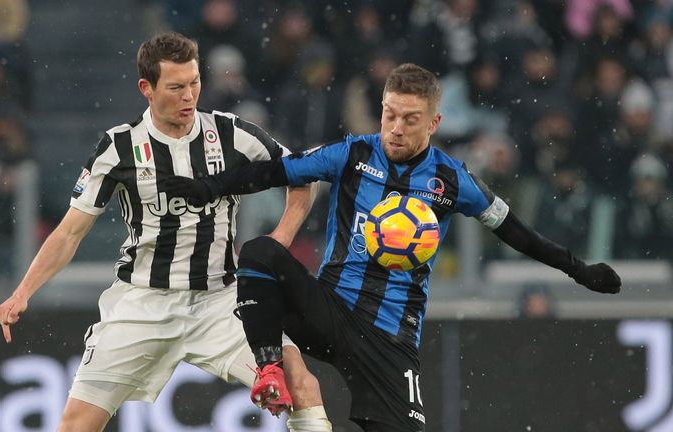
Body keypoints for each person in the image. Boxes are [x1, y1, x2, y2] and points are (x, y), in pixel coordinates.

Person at [160, 63, 623, 431]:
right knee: (261, 252)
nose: (395, 128)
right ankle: (268, 370)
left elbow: (516, 232)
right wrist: (208, 187)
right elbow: (274, 173)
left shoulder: (451, 180)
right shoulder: (353, 153)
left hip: (392, 339)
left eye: (410, 119)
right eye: (389, 115)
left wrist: (578, 270)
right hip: (329, 313)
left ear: (434, 123)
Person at [0, 32, 332, 432]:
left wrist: (280, 241)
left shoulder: (232, 134)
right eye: (176, 87)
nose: (189, 96)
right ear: (147, 89)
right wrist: (22, 292)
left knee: (302, 385)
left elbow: (302, 174)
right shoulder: (119, 148)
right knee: (75, 424)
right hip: (143, 304)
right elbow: (70, 233)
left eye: (194, 83)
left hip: (222, 300)